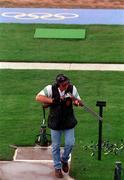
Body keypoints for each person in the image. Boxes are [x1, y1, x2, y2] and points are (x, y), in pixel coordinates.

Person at [36, 74, 83, 178]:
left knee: (70, 143)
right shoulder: (50, 89)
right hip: (55, 122)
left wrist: (77, 102)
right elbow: (38, 97)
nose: (67, 85)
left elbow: (77, 101)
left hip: (68, 121)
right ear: (59, 85)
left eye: (67, 83)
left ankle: (64, 159)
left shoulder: (72, 88)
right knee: (56, 146)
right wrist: (52, 101)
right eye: (65, 84)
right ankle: (57, 168)